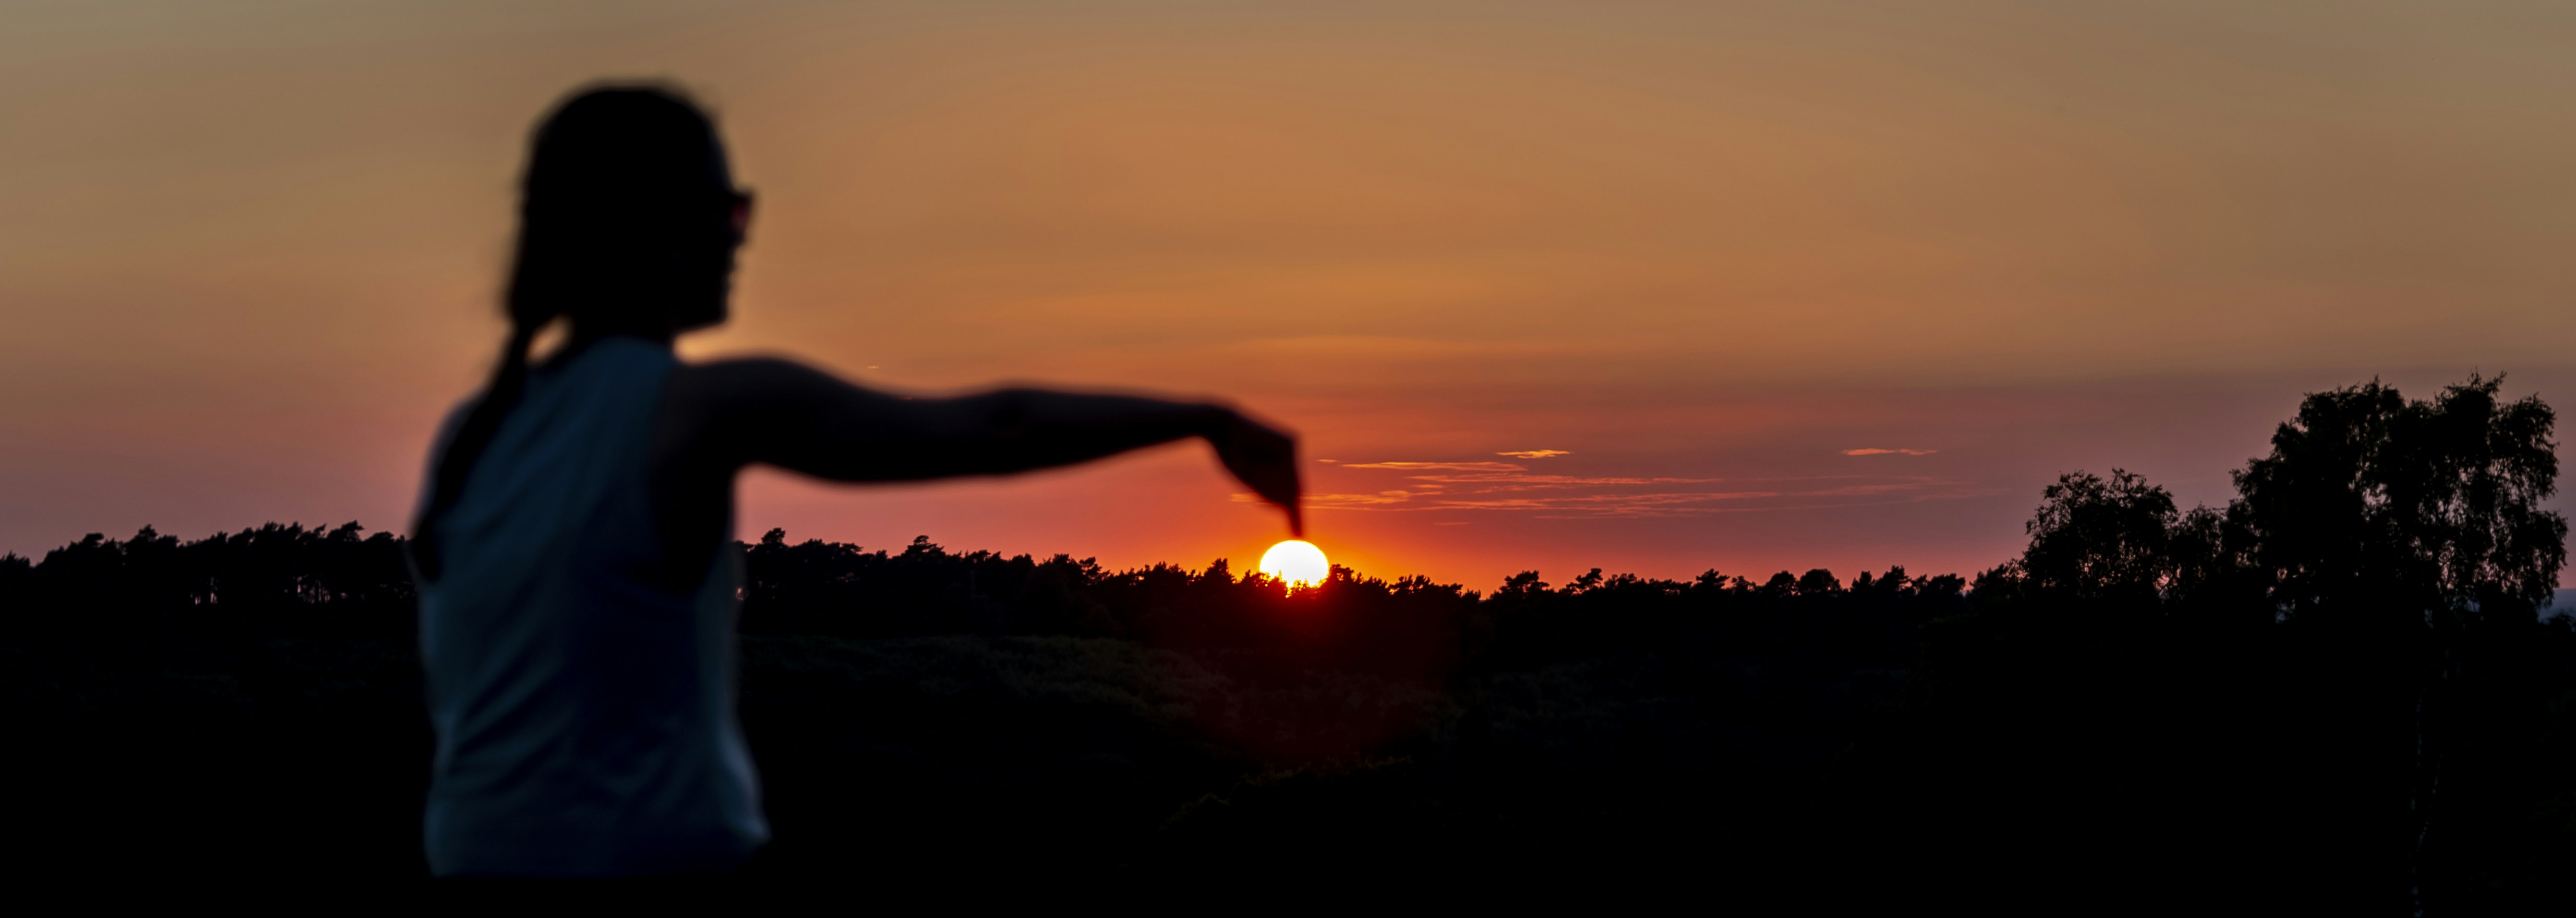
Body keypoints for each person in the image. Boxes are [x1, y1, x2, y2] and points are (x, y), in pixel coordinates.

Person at [407, 84, 1301, 878]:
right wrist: (1203, 420)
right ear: (657, 227)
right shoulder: (695, 407)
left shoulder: (472, 436)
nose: (739, 240)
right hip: (649, 877)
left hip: (475, 869)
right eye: (730, 212)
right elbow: (989, 429)